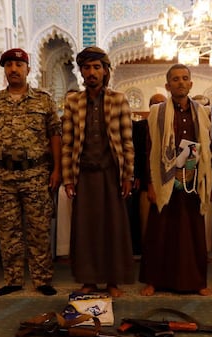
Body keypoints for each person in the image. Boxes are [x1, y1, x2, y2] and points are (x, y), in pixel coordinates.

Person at [0, 48, 61, 296]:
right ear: (4, 70)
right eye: (8, 65)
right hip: (3, 176)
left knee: (39, 229)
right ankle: (14, 279)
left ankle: (42, 279)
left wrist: (57, 168)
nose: (13, 69)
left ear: (28, 69)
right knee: (8, 230)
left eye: (18, 64)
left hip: (36, 174)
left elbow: (54, 135)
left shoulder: (44, 100)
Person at [62, 46, 135, 297]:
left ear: (105, 71)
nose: (91, 72)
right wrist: (68, 178)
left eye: (96, 67)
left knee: (113, 227)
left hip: (111, 174)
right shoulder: (73, 101)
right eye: (87, 67)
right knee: (86, 228)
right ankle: (89, 280)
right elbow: (68, 142)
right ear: (81, 71)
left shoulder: (119, 99)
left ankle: (112, 281)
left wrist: (127, 175)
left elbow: (127, 142)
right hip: (84, 174)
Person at [139, 64, 212, 296]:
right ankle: (154, 281)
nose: (181, 82)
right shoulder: (157, 112)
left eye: (185, 78)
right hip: (164, 177)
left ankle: (196, 281)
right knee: (160, 231)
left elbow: (207, 147)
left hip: (192, 175)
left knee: (191, 231)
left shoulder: (201, 111)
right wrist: (151, 182)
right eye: (175, 79)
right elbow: (149, 149)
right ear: (168, 85)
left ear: (191, 83)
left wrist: (203, 179)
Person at [132, 93, 166, 248]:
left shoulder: (171, 126)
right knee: (145, 217)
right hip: (146, 180)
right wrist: (138, 176)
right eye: (155, 104)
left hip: (167, 180)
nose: (158, 107)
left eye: (162, 103)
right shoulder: (140, 127)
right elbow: (137, 153)